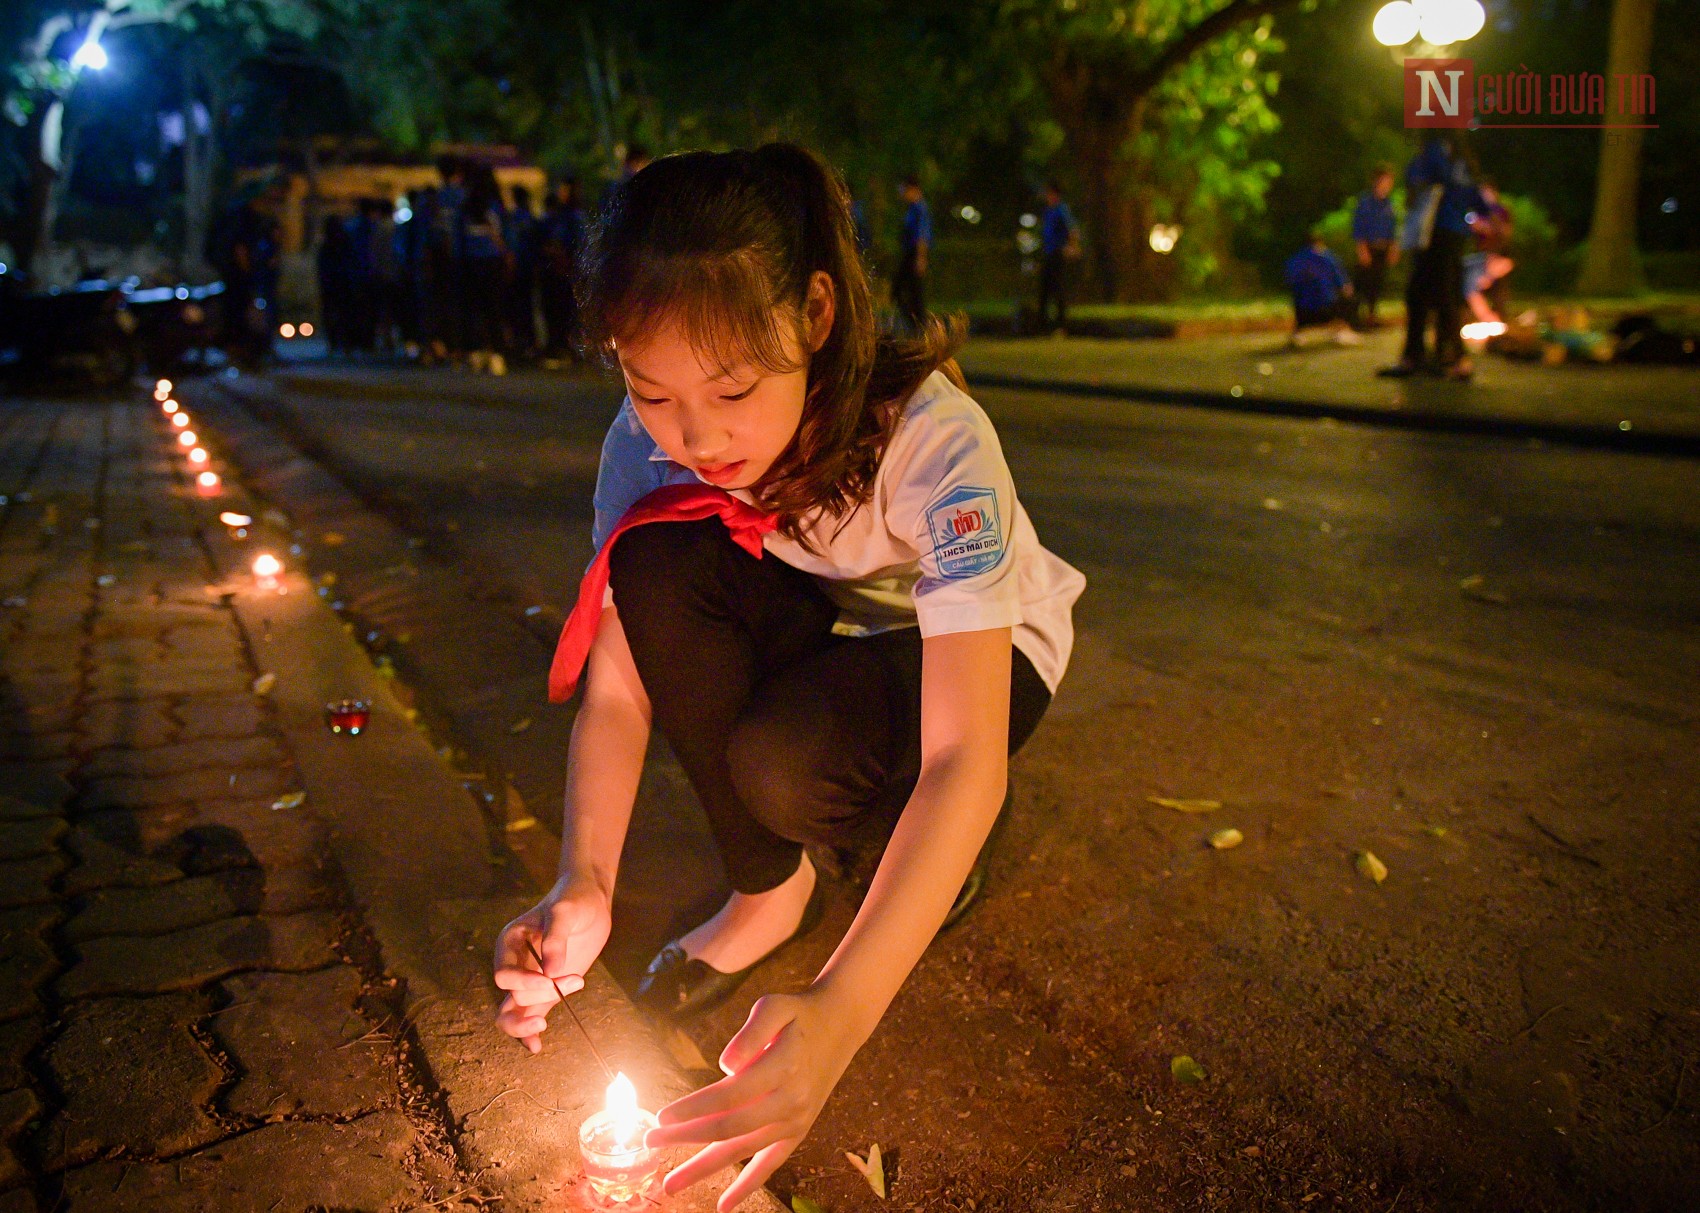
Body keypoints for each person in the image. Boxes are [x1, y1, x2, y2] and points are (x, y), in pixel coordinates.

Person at [491, 144, 1085, 1209]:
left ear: (814, 315)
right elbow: (624, 687)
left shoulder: (934, 445)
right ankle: (768, 894)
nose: (696, 435)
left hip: (974, 653)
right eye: (650, 389)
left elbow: (963, 754)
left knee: (787, 764)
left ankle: (916, 856)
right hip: (826, 634)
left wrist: (838, 1013)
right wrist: (584, 878)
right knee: (653, 555)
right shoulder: (646, 444)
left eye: (731, 387)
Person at [1382, 134, 1483, 381]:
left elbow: (1422, 180)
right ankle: (1437, 357)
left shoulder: (1435, 152)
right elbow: (1474, 196)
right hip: (1452, 232)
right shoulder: (1462, 160)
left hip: (1434, 232)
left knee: (1425, 294)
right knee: (1439, 294)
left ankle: (1446, 358)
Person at [456, 165, 511, 374]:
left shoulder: (466, 207)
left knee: (473, 309)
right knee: (494, 309)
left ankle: (476, 353)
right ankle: (497, 355)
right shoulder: (496, 206)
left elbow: (459, 239)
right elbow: (506, 235)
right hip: (493, 262)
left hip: (471, 262)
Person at [1283, 231, 1360, 346]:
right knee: (1349, 299)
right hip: (1327, 307)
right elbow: (1345, 286)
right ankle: (1342, 330)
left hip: (1303, 310)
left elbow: (1289, 280)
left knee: (1300, 296)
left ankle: (1297, 333)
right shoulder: (1328, 257)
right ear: (1320, 243)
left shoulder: (1294, 260)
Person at [540, 176, 587, 361]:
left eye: (564, 189)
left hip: (567, 270)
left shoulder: (574, 217)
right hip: (555, 269)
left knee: (566, 310)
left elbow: (577, 243)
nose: (561, 193)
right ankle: (557, 346)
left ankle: (568, 348)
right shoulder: (557, 216)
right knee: (554, 309)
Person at [1350, 165, 1399, 328]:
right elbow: (1359, 228)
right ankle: (1355, 318)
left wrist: (1393, 249)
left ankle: (1372, 316)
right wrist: (1362, 250)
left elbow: (1393, 228)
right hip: (1369, 248)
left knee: (1377, 284)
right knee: (1364, 283)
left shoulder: (1389, 204)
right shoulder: (1365, 202)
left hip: (1383, 248)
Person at [1464, 180, 1514, 325]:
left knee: (1498, 291)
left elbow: (1505, 232)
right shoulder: (1476, 211)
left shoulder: (1500, 211)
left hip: (1498, 255)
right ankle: (1482, 319)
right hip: (1480, 255)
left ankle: (1499, 320)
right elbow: (1471, 228)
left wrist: (1488, 227)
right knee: (1473, 287)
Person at [1036, 182, 1080, 333]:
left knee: (1058, 288)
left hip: (1057, 253)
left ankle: (1061, 325)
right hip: (1048, 253)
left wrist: (1072, 246)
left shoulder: (1061, 209)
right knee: (1045, 289)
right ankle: (1043, 325)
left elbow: (1072, 229)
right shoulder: (1048, 211)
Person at [891, 174, 932, 332]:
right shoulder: (912, 209)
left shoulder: (920, 209)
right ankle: (915, 326)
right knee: (904, 291)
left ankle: (919, 327)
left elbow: (922, 236)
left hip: (914, 255)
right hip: (909, 254)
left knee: (914, 293)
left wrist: (921, 258)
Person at [505, 185, 540, 358]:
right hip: (527, 267)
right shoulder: (530, 219)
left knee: (517, 308)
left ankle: (520, 344)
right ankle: (530, 344)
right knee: (527, 307)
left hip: (516, 268)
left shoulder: (513, 218)